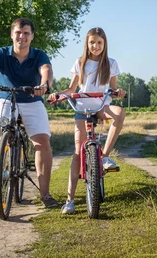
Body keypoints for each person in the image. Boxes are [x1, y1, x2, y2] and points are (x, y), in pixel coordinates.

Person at [0, 18, 58, 208]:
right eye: (18, 33)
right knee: (0, 127)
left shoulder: (39, 55)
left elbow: (46, 70)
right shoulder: (2, 53)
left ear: (32, 36)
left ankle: (45, 194)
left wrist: (44, 85)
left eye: (26, 33)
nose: (22, 36)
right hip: (6, 98)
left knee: (43, 141)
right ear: (12, 34)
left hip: (32, 99)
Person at [48, 27, 126, 214]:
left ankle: (105, 154)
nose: (96, 46)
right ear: (87, 44)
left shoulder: (111, 63)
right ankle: (70, 200)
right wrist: (58, 95)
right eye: (92, 42)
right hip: (81, 108)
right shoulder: (80, 62)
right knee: (77, 153)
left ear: (104, 44)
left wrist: (119, 92)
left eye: (99, 42)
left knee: (120, 113)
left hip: (101, 107)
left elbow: (113, 90)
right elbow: (71, 88)